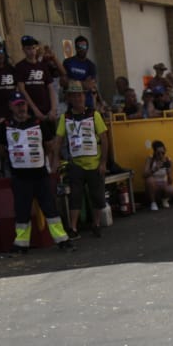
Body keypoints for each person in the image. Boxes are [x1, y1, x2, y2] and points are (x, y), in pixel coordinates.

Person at [0, 94, 72, 253]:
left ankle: (62, 239)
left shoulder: (38, 123)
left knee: (50, 208)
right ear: (11, 106)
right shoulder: (5, 125)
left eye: (23, 104)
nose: (21, 108)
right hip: (20, 177)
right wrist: (11, 157)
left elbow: (49, 145)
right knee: (22, 211)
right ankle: (21, 244)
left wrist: (49, 161)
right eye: (17, 105)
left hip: (40, 175)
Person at [56, 81, 110, 237]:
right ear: (69, 98)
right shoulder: (65, 117)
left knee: (97, 196)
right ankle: (73, 228)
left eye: (80, 95)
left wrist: (103, 162)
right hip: (76, 164)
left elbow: (105, 139)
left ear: (84, 96)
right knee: (75, 195)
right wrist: (56, 159)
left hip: (94, 163)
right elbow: (58, 139)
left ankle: (96, 223)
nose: (78, 98)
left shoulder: (94, 115)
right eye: (74, 95)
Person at [14, 35, 62, 147]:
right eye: (28, 48)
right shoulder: (20, 66)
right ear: (23, 50)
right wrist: (35, 110)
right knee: (36, 143)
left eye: (33, 48)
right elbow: (22, 90)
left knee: (52, 142)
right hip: (31, 113)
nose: (31, 51)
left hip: (47, 110)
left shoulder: (43, 66)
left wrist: (53, 109)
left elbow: (51, 87)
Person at [143, 140, 173, 210]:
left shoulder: (168, 160)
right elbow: (144, 175)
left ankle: (164, 200)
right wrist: (155, 169)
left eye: (163, 152)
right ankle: (153, 202)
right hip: (153, 186)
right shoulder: (150, 159)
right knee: (149, 180)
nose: (161, 155)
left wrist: (169, 171)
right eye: (158, 153)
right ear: (154, 152)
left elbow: (171, 181)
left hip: (163, 185)